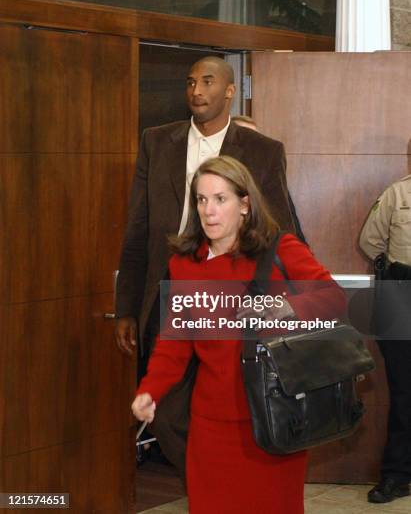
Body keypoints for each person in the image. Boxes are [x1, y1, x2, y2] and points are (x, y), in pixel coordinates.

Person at [131, 155, 345, 513]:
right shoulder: (184, 264)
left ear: (245, 204)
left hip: (275, 414)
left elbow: (333, 298)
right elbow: (176, 339)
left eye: (220, 199)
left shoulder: (280, 249)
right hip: (211, 424)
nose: (208, 211)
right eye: (201, 200)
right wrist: (151, 389)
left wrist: (284, 310)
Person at [359, 175, 411, 504]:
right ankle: (397, 475)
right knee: (404, 390)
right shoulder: (397, 193)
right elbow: (370, 242)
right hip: (402, 293)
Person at [231, 114, 307, 244]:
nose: (251, 148)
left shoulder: (272, 186)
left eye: (256, 140)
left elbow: (291, 233)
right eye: (245, 139)